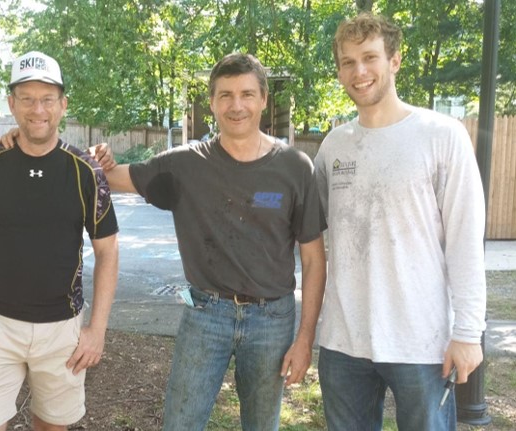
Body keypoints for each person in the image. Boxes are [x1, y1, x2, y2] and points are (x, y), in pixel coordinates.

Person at [104, 53, 327, 430]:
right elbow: (112, 178)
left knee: (261, 424)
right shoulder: (184, 165)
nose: (236, 105)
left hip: (273, 318)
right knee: (180, 423)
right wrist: (87, 156)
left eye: (246, 94)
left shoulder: (294, 167)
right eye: (225, 95)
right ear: (211, 103)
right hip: (206, 313)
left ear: (263, 99)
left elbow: (314, 260)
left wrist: (305, 338)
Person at [314, 13, 487, 430]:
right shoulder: (335, 145)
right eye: (348, 62)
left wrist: (468, 332)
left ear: (394, 60)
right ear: (338, 71)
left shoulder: (441, 135)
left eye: (370, 57)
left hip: (420, 342)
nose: (359, 71)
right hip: (343, 341)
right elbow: (303, 225)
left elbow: (465, 240)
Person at [0, 51, 119, 431]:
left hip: (64, 330)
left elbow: (108, 251)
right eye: (26, 98)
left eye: (47, 99)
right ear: (11, 103)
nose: (37, 109)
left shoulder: (85, 171)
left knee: (53, 425)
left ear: (63, 104)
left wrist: (97, 330)